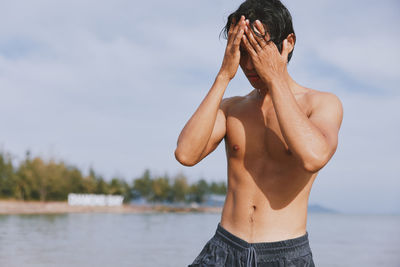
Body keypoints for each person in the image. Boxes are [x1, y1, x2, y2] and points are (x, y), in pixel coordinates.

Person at [174, 0, 343, 266]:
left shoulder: (321, 104)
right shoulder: (232, 107)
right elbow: (186, 154)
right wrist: (223, 76)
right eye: (242, 51)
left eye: (258, 49)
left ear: (288, 43)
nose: (250, 64)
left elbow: (314, 157)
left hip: (285, 255)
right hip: (224, 247)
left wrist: (275, 78)